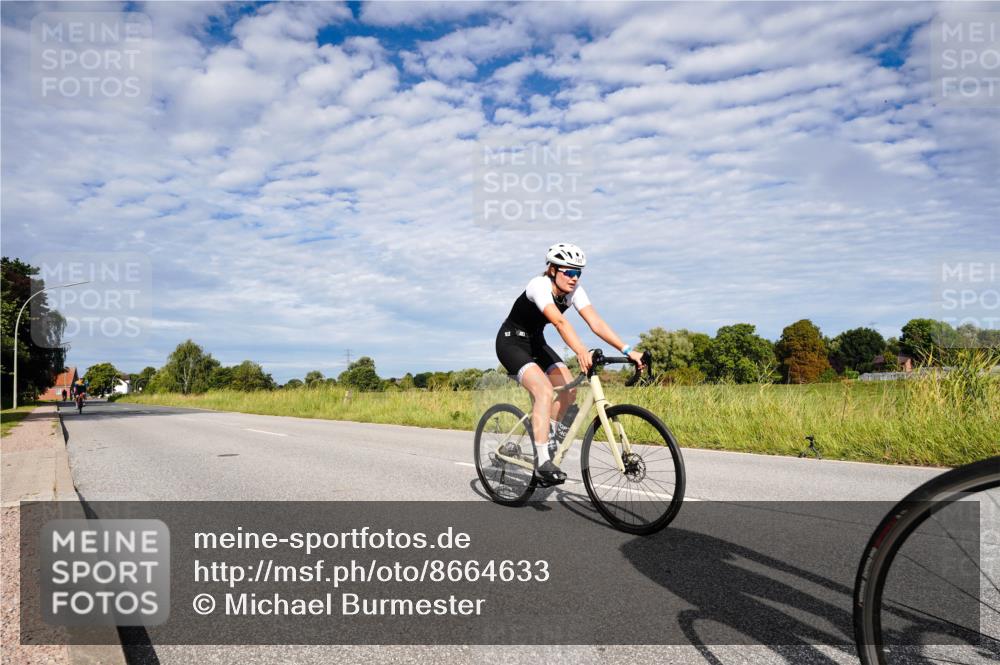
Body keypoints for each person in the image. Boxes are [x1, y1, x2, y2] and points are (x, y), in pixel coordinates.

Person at [495, 243, 644, 485]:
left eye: (579, 273)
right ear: (553, 269)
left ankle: (544, 438)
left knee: (569, 390)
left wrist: (627, 350)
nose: (574, 278)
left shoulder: (575, 291)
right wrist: (581, 351)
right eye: (569, 272)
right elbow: (560, 323)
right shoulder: (539, 286)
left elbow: (595, 322)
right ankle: (542, 462)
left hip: (536, 342)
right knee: (544, 390)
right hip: (511, 342)